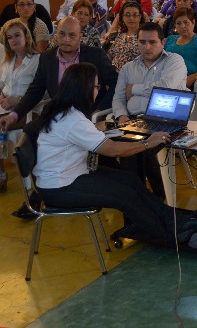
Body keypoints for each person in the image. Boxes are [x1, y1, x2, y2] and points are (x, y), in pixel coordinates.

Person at [29, 62, 197, 244]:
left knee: (131, 180)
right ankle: (170, 234)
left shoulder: (63, 111)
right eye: (96, 87)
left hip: (70, 174)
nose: (98, 91)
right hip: (60, 187)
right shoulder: (72, 119)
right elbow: (112, 150)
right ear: (84, 88)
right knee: (125, 196)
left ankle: (176, 221)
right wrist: (148, 143)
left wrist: (95, 130)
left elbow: (78, 136)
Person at [2, 17, 118, 219]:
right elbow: (35, 91)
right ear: (55, 35)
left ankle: (96, 183)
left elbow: (115, 84)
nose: (66, 39)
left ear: (80, 37)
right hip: (59, 115)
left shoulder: (95, 55)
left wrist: (98, 109)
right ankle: (39, 194)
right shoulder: (47, 58)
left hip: (87, 114)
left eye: (72, 35)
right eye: (62, 34)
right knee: (31, 130)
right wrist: (14, 114)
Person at [113, 22, 188, 198]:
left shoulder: (174, 60)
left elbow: (166, 87)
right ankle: (135, 196)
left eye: (152, 42)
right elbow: (118, 98)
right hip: (134, 120)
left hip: (167, 120)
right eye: (142, 42)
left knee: (145, 150)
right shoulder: (128, 68)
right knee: (122, 145)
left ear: (163, 42)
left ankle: (159, 198)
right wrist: (122, 116)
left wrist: (134, 89)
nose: (147, 47)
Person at [0, 19, 40, 192]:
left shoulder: (38, 60)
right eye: (10, 37)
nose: (14, 40)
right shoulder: (7, 61)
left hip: (27, 110)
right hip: (4, 108)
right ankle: (1, 172)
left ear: (26, 36)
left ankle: (1, 175)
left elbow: (44, 93)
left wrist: (18, 100)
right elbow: (1, 85)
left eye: (17, 35)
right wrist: (2, 97)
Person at [164, 8, 197, 91]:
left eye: (186, 22)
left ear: (193, 23)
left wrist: (190, 79)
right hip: (167, 78)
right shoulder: (170, 39)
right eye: (178, 23)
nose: (182, 26)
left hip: (190, 82)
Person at [105, 2, 145, 71]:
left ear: (140, 17)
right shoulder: (116, 36)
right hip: (112, 74)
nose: (131, 18)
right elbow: (106, 58)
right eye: (127, 15)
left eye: (135, 15)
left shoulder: (145, 38)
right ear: (123, 17)